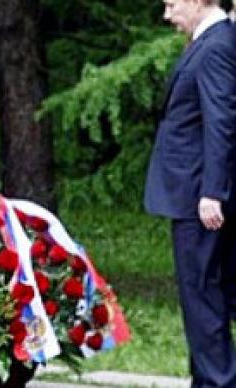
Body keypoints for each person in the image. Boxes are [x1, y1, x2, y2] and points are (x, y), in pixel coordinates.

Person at [145, 0, 236, 386]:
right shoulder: (215, 40)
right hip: (197, 191)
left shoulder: (216, 46)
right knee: (207, 295)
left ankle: (216, 381)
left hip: (198, 195)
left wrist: (212, 191)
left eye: (172, 4)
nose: (167, 15)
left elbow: (222, 121)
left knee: (202, 296)